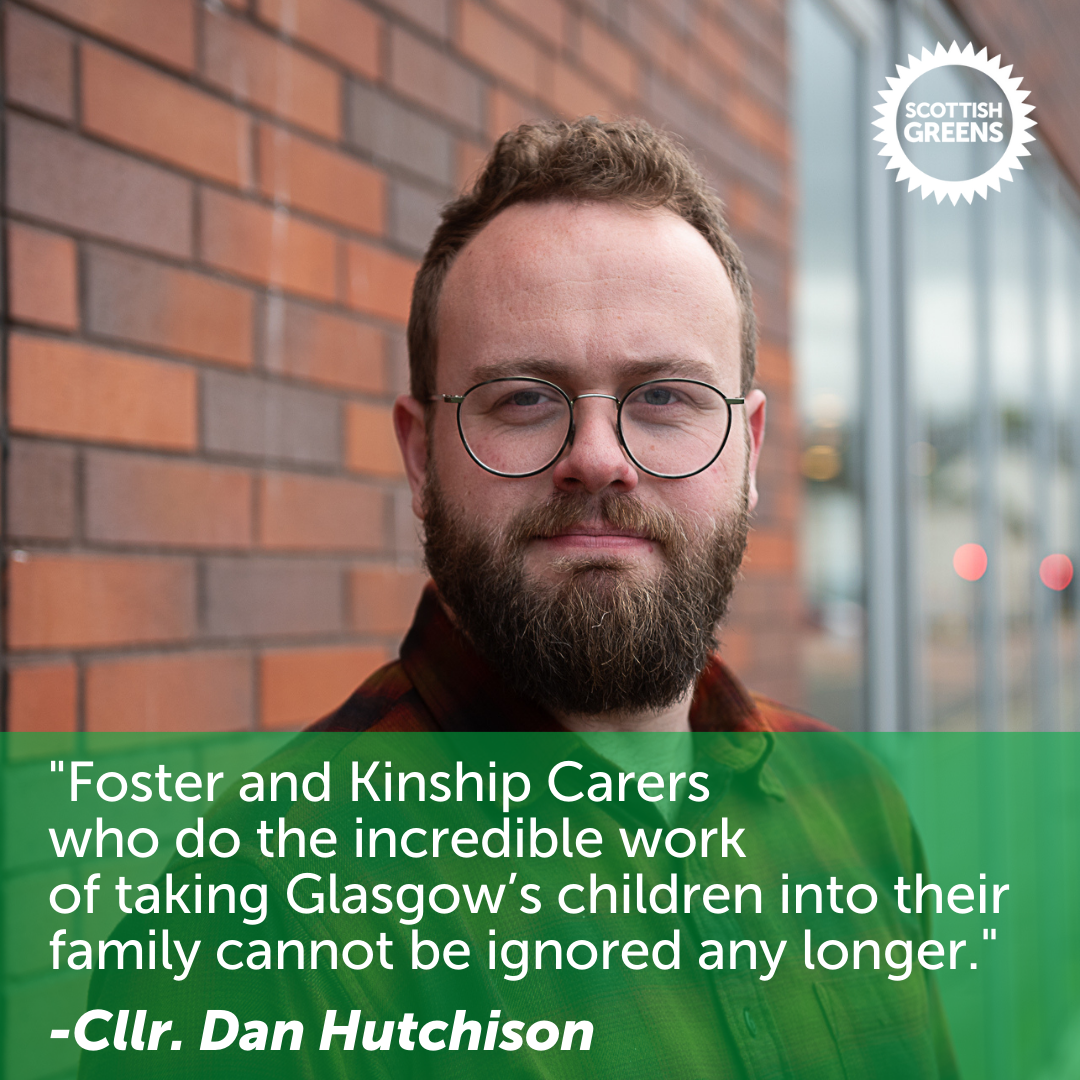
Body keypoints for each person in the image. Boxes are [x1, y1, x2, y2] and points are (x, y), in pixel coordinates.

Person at [80, 118, 958, 1079]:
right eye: (524, 398)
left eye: (664, 396)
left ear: (749, 452)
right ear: (422, 458)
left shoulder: (854, 803)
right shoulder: (258, 920)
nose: (598, 459)